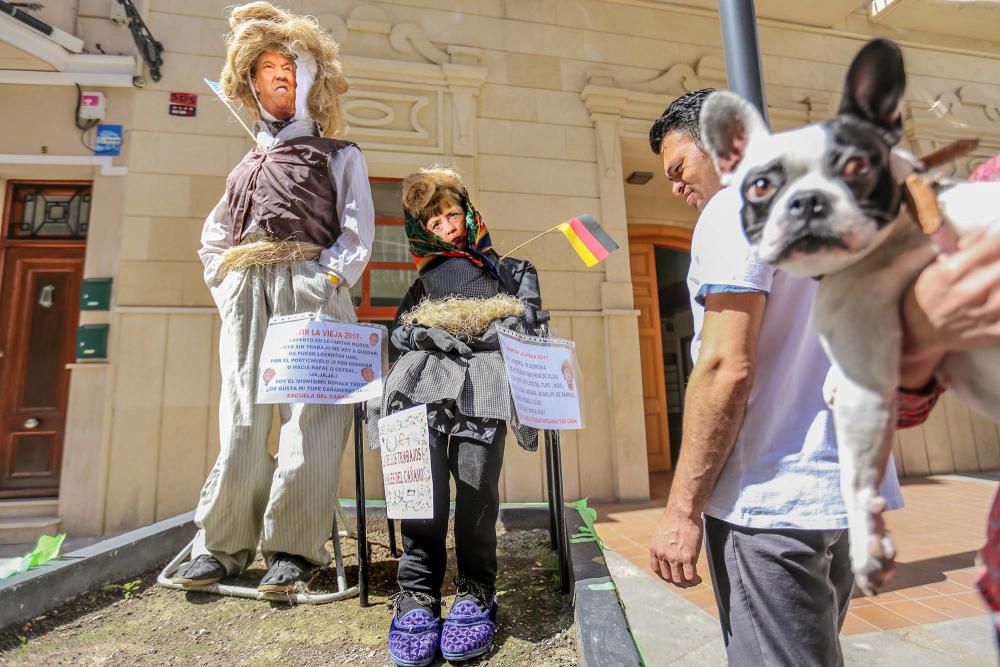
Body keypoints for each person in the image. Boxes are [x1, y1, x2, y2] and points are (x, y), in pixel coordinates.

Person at [646, 89, 1000, 665]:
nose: (678, 187)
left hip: (766, 499)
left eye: (680, 168)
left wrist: (681, 511)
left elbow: (724, 365)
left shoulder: (735, 204)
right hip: (840, 493)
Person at [171, 2, 374, 593]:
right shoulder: (244, 166)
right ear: (251, 81)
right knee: (240, 416)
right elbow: (213, 236)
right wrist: (228, 282)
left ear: (309, 78)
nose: (278, 74)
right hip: (247, 292)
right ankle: (223, 545)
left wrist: (326, 280)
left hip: (308, 285)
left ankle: (293, 549)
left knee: (310, 418)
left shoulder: (340, 154)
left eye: (289, 65)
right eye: (265, 67)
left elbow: (358, 232)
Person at [368, 166, 541, 666]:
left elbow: (529, 321)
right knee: (419, 490)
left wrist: (493, 324)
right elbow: (400, 333)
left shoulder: (512, 270)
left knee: (477, 487)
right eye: (435, 220)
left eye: (451, 214)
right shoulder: (424, 283)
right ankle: (418, 594)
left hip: (484, 387)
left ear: (467, 212)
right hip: (425, 390)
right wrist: (426, 332)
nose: (447, 225)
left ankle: (475, 590)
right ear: (423, 229)